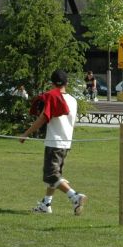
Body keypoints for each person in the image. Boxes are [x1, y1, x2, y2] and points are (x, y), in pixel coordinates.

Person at [20, 70, 88, 216]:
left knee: (51, 176)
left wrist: (26, 133)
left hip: (54, 142)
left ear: (52, 83)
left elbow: (43, 118)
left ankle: (75, 196)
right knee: (55, 175)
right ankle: (46, 204)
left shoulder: (51, 97)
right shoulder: (73, 100)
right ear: (67, 83)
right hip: (66, 143)